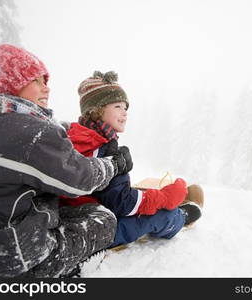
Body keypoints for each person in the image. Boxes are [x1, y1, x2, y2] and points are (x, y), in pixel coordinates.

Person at [0, 44, 133, 277]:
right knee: (102, 218)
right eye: (37, 81)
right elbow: (80, 180)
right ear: (12, 84)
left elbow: (18, 161)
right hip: (11, 258)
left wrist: (58, 133)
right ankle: (64, 272)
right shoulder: (33, 132)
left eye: (46, 82)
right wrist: (114, 165)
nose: (47, 89)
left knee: (55, 209)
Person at [60, 70, 204, 248]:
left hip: (72, 214)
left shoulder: (73, 137)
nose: (125, 113)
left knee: (132, 193)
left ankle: (159, 199)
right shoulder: (103, 148)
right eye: (117, 107)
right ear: (96, 110)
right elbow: (123, 205)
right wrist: (167, 198)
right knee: (159, 216)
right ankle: (179, 218)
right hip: (96, 227)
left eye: (125, 107)